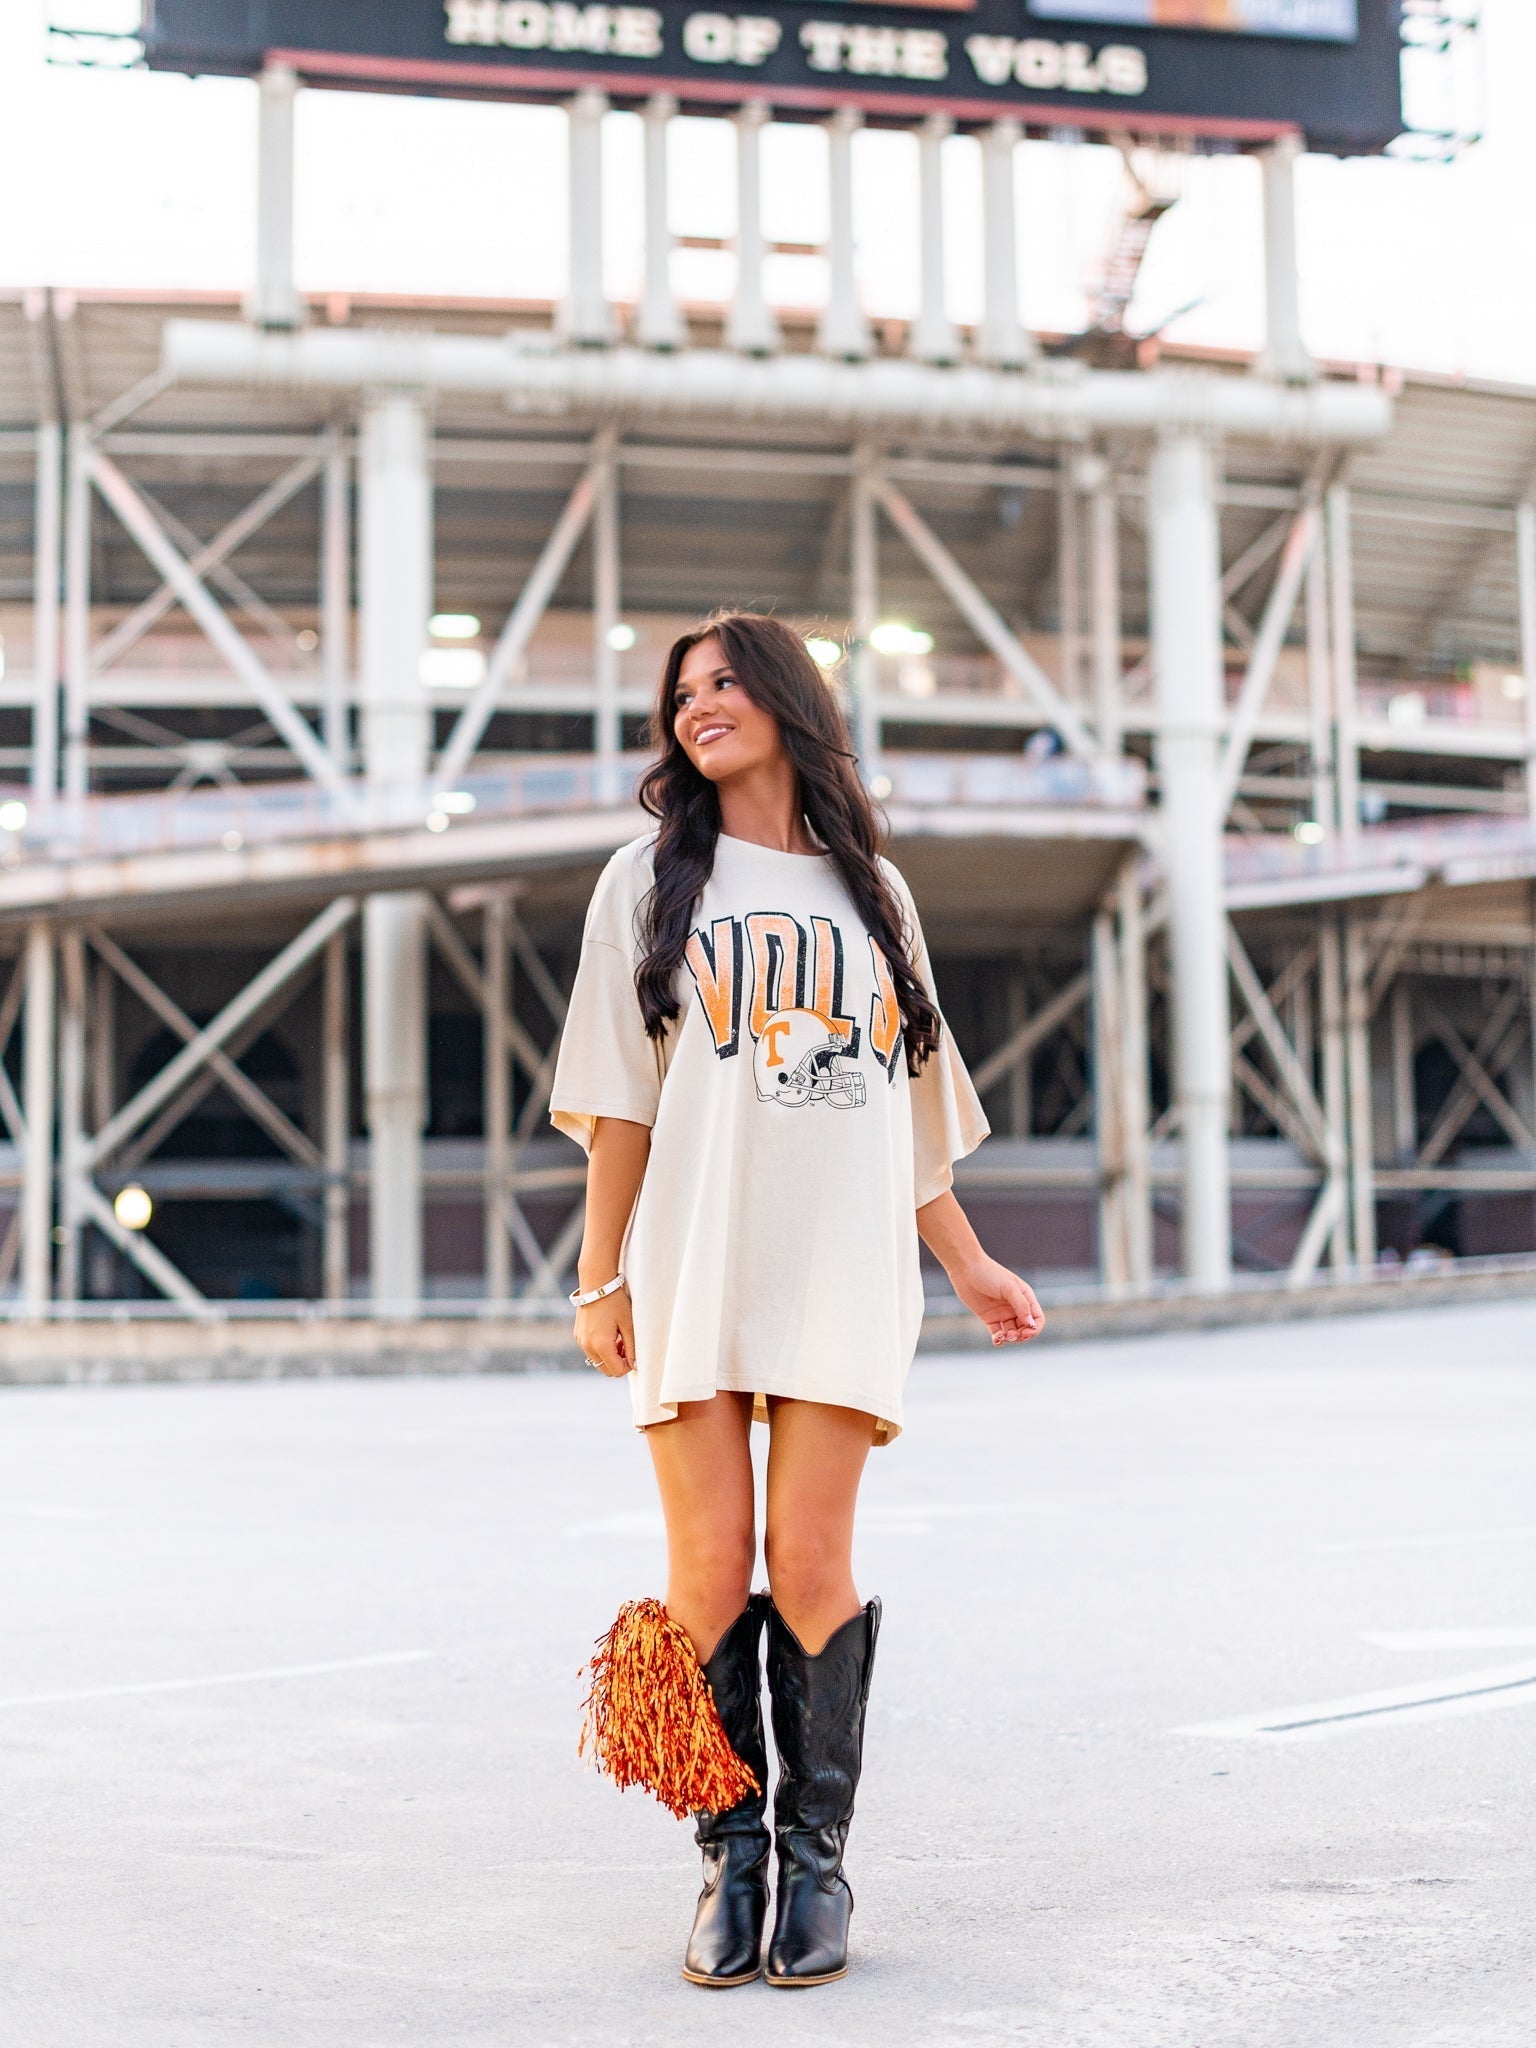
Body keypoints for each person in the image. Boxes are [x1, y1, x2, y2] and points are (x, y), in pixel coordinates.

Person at [551, 612, 1044, 1990]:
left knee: (812, 1561)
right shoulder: (646, 882)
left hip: (840, 1266)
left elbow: (909, 1121)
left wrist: (969, 1261)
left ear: (785, 701)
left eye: (724, 683)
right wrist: (599, 1275)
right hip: (692, 1261)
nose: (698, 706)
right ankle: (732, 1856)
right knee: (707, 1570)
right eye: (681, 693)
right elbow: (618, 1109)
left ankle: (818, 1861)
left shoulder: (876, 892)